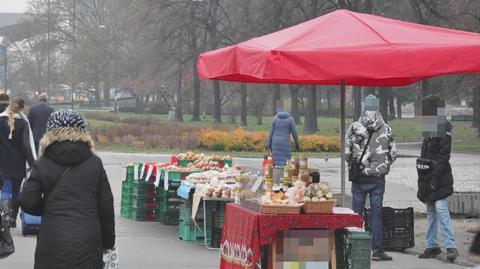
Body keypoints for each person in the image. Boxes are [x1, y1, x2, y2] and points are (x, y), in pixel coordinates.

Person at [19, 110, 115, 269]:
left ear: (50, 132)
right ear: (83, 131)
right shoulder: (95, 163)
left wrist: (48, 208)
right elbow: (106, 206)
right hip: (88, 237)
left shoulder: (42, 163)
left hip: (53, 236)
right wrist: (108, 242)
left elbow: (27, 200)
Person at [345, 106, 397, 261]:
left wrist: (355, 165)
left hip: (359, 177)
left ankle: (353, 248)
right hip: (377, 179)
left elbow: (347, 153)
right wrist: (380, 166)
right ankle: (377, 250)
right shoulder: (387, 128)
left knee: (356, 214)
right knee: (376, 214)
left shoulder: (354, 127)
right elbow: (393, 153)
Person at [416, 95, 458, 261]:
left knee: (440, 209)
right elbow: (425, 155)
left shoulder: (443, 129)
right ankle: (431, 245)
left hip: (439, 177)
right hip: (428, 176)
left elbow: (443, 156)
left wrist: (434, 179)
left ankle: (451, 246)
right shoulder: (429, 128)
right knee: (431, 210)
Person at [0, 97, 36, 228]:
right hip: (18, 163)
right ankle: (13, 218)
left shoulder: (0, 119)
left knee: (5, 188)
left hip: (3, 162)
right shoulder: (24, 123)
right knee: (15, 191)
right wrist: (33, 164)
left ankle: (5, 216)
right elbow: (27, 146)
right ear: (22, 108)